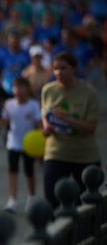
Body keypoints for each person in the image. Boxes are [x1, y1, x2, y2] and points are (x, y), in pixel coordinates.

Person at [40, 52, 100, 207]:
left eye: (63, 68)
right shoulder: (48, 90)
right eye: (55, 68)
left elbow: (91, 128)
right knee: (51, 200)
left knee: (86, 205)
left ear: (74, 68)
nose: (59, 72)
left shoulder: (88, 93)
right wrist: (46, 127)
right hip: (56, 152)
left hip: (84, 155)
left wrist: (66, 119)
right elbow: (45, 115)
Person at [0, 77, 41, 212]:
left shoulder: (33, 105)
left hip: (29, 144)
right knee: (12, 172)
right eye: (15, 87)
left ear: (27, 89)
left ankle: (32, 198)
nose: (18, 90)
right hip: (13, 143)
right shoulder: (9, 104)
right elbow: (4, 122)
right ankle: (12, 200)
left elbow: (38, 124)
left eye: (21, 87)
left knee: (29, 172)